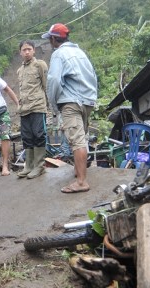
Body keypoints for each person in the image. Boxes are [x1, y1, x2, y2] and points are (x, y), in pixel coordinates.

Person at [43, 23, 98, 193]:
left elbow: (53, 81)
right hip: (87, 101)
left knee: (77, 140)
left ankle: (82, 182)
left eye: (50, 39)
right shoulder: (80, 52)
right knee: (81, 138)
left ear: (53, 39)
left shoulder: (59, 54)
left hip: (71, 102)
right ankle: (78, 171)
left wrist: (53, 104)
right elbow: (93, 76)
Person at [16, 40, 52, 179]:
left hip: (37, 106)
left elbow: (46, 85)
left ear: (34, 50)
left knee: (38, 134)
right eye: (24, 50)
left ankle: (39, 166)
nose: (26, 52)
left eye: (29, 49)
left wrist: (48, 105)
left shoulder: (40, 65)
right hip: (24, 109)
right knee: (27, 137)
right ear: (20, 52)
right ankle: (29, 166)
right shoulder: (20, 70)